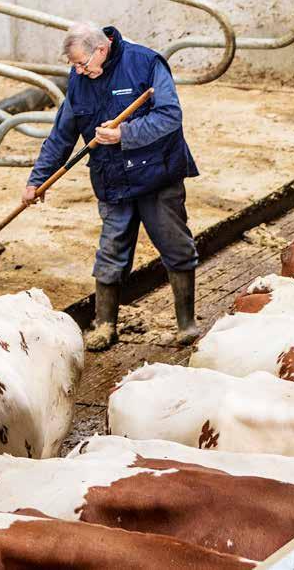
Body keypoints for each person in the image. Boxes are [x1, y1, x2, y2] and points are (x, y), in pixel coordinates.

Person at [23, 22, 200, 351]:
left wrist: (124, 134)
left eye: (81, 63)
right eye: (73, 65)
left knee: (175, 246)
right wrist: (38, 179)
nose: (77, 70)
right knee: (111, 251)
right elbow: (63, 133)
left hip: (156, 174)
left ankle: (186, 324)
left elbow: (170, 116)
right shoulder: (80, 79)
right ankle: (105, 326)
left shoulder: (146, 64)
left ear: (100, 50)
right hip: (112, 178)